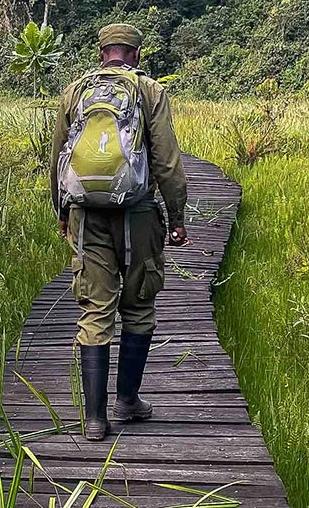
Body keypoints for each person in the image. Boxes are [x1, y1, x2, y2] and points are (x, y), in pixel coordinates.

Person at [49, 22, 188, 441]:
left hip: (86, 216)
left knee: (95, 311)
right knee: (139, 306)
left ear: (101, 53)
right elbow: (165, 161)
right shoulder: (150, 93)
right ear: (137, 55)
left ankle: (94, 419)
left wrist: (61, 209)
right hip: (139, 215)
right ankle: (126, 401)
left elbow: (57, 156)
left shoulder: (75, 92)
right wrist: (177, 216)